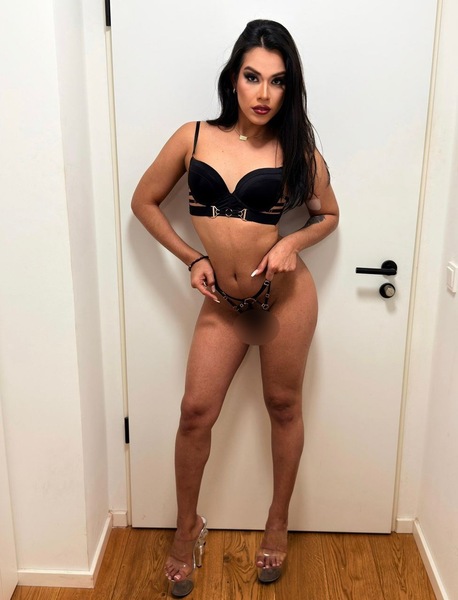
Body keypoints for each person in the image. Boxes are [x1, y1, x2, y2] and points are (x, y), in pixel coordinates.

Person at [131, 19, 339, 597]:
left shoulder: (297, 150)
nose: (263, 93)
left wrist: (292, 243)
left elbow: (328, 214)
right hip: (223, 302)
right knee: (195, 412)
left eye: (277, 80)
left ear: (289, 87)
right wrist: (191, 257)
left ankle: (277, 521)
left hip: (285, 298)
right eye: (253, 77)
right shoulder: (193, 137)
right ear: (233, 78)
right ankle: (186, 528)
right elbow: (144, 201)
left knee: (283, 406)